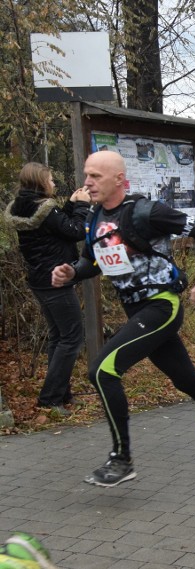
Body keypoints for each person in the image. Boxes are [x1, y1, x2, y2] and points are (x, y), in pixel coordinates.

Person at [51, 151, 195, 486]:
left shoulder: (145, 212)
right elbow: (93, 263)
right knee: (186, 380)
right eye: (86, 175)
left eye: (95, 176)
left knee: (102, 371)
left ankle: (121, 459)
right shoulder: (93, 220)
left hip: (161, 305)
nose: (87, 182)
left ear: (118, 179)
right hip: (137, 310)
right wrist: (70, 273)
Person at [4, 163, 90, 414]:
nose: (53, 184)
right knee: (73, 337)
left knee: (58, 337)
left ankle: (61, 395)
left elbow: (56, 229)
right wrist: (83, 205)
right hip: (56, 281)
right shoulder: (46, 209)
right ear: (40, 183)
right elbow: (75, 231)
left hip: (39, 280)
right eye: (50, 180)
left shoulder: (24, 207)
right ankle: (50, 399)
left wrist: (72, 204)